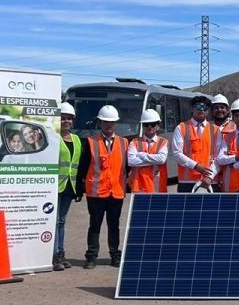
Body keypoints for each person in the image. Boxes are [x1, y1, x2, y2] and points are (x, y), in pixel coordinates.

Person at [75, 104, 128, 269]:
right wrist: (79, 189)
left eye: (112, 122)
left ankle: (115, 255)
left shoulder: (124, 142)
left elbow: (127, 167)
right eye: (105, 121)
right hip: (96, 193)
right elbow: (83, 167)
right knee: (95, 225)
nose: (109, 125)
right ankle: (91, 256)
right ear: (100, 122)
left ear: (116, 123)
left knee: (114, 226)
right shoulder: (90, 142)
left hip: (116, 192)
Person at [54, 102, 81, 271]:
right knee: (55, 221)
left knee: (62, 221)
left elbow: (79, 164)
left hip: (70, 185)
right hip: (56, 186)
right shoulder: (53, 138)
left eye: (69, 119)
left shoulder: (77, 139)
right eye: (63, 118)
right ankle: (55, 254)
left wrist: (79, 189)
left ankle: (60, 252)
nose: (66, 121)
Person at [172, 95, 217, 193]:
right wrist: (195, 165)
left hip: (208, 181)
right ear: (192, 109)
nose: (201, 110)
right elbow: (176, 154)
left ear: (208, 111)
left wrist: (210, 176)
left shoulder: (215, 130)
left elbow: (218, 156)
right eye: (198, 107)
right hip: (187, 182)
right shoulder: (181, 128)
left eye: (205, 108)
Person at [128, 109, 169, 193]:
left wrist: (142, 155)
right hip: (139, 188)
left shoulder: (164, 142)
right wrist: (155, 161)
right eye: (146, 124)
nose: (149, 127)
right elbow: (131, 161)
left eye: (153, 124)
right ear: (142, 126)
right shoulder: (134, 142)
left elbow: (161, 159)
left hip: (157, 188)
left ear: (158, 126)